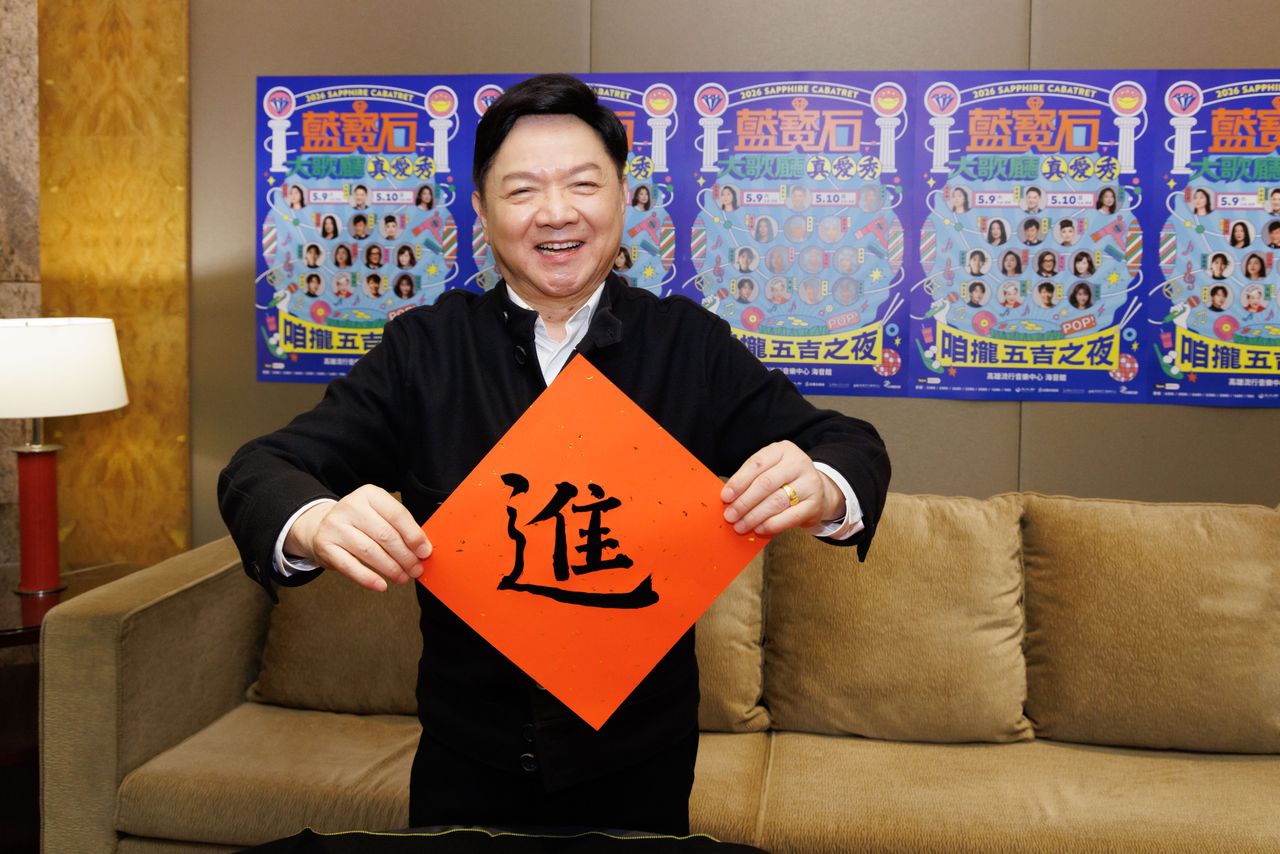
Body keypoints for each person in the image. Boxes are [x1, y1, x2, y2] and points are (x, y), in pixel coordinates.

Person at [219, 74, 888, 837]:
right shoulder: (425, 351)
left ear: (623, 198)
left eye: (582, 184)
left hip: (638, 766)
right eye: (523, 189)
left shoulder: (687, 345)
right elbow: (259, 470)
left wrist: (821, 485)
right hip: (467, 764)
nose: (557, 212)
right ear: (481, 210)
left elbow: (850, 446)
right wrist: (313, 521)